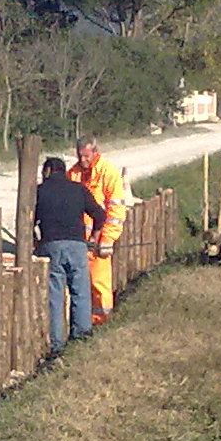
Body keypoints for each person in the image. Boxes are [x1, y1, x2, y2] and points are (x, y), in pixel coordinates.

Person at [33, 155, 104, 352]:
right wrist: (94, 238)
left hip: (51, 247)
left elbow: (27, 221)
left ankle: (57, 345)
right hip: (77, 246)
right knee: (80, 292)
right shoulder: (78, 189)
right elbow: (100, 215)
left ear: (47, 172)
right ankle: (81, 337)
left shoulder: (39, 191)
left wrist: (35, 241)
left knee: (55, 296)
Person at [68, 135, 128, 323]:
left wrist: (108, 239)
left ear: (96, 152)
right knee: (77, 285)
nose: (83, 160)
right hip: (78, 240)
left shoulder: (108, 173)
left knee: (99, 282)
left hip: (99, 240)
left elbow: (115, 210)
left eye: (86, 156)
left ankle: (101, 321)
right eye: (80, 156)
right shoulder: (73, 173)